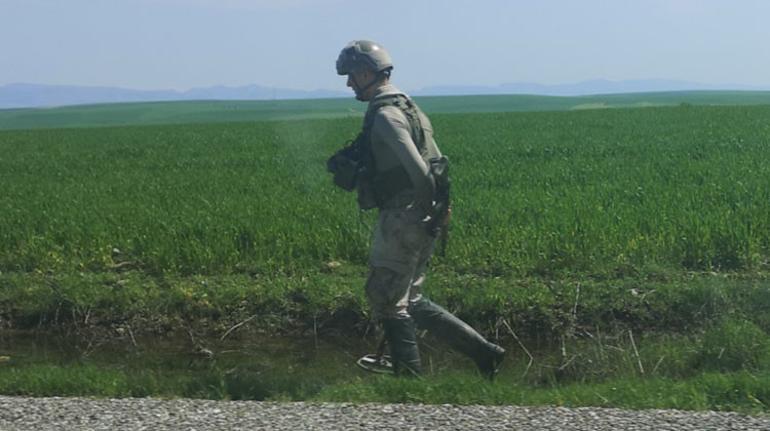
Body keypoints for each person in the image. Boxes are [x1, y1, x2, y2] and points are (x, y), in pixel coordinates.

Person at [327, 40, 505, 379]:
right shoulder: (410, 108)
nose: (349, 84)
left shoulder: (385, 116)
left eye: (351, 76)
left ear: (366, 73)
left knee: (385, 295)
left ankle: (408, 377)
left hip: (403, 216)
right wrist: (439, 211)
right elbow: (437, 163)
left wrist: (421, 215)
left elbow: (421, 173)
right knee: (411, 298)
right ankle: (484, 353)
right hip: (422, 215)